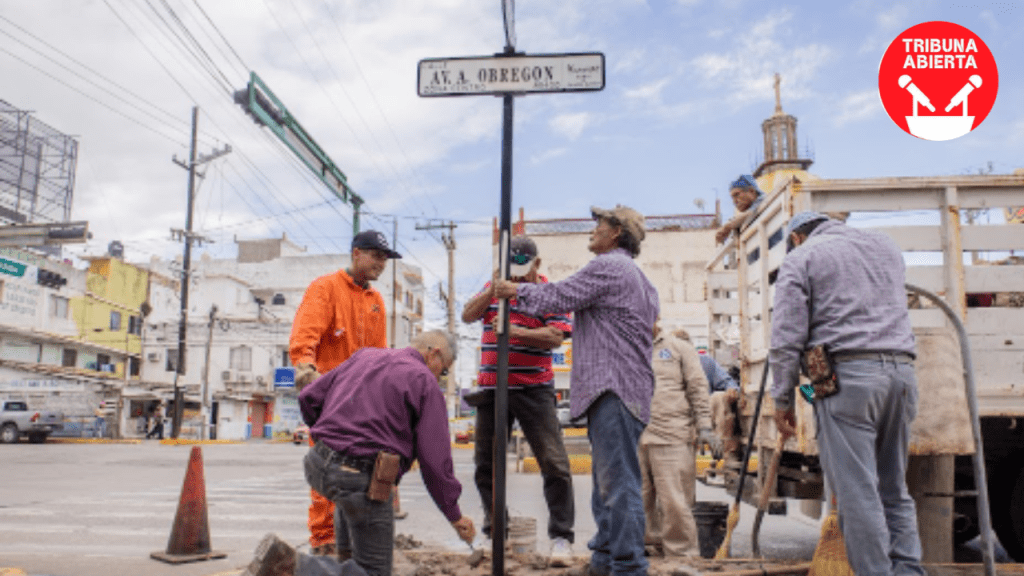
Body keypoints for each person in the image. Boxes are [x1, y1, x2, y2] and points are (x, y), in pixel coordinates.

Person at [494, 204, 659, 576]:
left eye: (598, 224)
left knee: (618, 484)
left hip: (613, 385)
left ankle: (629, 566)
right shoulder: (638, 277)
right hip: (624, 387)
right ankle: (604, 558)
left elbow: (559, 298)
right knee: (608, 481)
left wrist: (513, 290)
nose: (593, 230)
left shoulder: (609, 266)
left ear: (616, 232)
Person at [242, 331, 475, 576]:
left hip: (320, 463)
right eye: (445, 370)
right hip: (361, 476)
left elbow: (310, 396)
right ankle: (291, 565)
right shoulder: (424, 381)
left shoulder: (366, 356)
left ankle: (314, 564)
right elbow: (435, 461)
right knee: (373, 571)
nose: (441, 376)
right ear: (434, 354)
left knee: (350, 557)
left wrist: (331, 439)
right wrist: (454, 515)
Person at [770, 211, 924, 576]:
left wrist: (782, 400)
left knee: (858, 493)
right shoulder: (885, 246)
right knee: (894, 487)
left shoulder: (802, 257)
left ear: (796, 237)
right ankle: (907, 570)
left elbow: (786, 336)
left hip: (849, 377)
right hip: (902, 374)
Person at [462, 235, 575, 564]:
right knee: (486, 465)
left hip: (533, 389)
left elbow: (555, 337)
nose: (516, 275)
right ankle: (495, 529)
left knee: (554, 464)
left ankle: (561, 538)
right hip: (492, 387)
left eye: (522, 269)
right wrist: (492, 291)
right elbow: (469, 316)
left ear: (537, 265)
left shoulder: (548, 293)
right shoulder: (494, 286)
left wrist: (514, 331)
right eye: (511, 269)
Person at [289, 230, 400, 556]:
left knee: (365, 469)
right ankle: (324, 540)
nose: (381, 263)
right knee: (330, 468)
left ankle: (354, 538)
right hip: (330, 397)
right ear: (356, 254)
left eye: (384, 258)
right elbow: (304, 337)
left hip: (364, 399)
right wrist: (307, 371)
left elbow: (379, 354)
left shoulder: (376, 301)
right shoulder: (325, 288)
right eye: (376, 256)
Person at [640, 321, 720, 559]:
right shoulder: (629, 347)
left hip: (672, 435)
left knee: (675, 502)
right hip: (635, 435)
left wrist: (705, 426)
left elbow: (697, 387)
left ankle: (681, 556)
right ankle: (648, 552)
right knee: (638, 501)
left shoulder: (679, 348)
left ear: (655, 316)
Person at [674, 329, 743, 458]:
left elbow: (728, 382)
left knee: (719, 397)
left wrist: (732, 390)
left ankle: (723, 449)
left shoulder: (705, 363)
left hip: (705, 415)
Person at [715, 174, 764, 244]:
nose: (734, 201)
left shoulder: (763, 200)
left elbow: (751, 212)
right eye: (732, 198)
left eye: (737, 195)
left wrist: (728, 226)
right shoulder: (743, 219)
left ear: (751, 191)